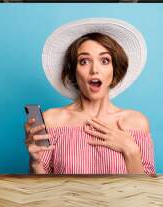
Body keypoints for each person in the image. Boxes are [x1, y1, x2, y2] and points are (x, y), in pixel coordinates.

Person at [24, 18, 155, 175]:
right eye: (84, 61)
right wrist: (35, 162)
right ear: (74, 72)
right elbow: (43, 191)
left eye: (104, 60)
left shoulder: (135, 122)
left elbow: (144, 191)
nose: (94, 70)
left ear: (114, 72)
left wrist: (131, 150)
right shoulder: (51, 120)